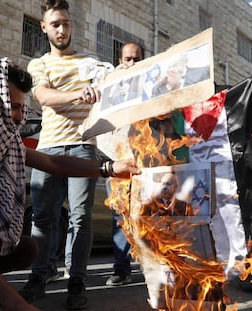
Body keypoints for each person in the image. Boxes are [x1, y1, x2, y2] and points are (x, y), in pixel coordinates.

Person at [0, 58, 140, 311]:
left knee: (25, 249)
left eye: (20, 108)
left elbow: (53, 163)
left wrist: (109, 168)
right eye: (10, 107)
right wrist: (18, 305)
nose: (17, 117)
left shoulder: (6, 146)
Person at [19, 0, 110, 309]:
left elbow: (111, 89)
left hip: (84, 146)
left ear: (72, 25)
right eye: (55, 24)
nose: (61, 29)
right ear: (44, 27)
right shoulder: (39, 64)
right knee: (43, 219)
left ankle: (77, 282)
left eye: (66, 23)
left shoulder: (91, 62)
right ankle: (38, 277)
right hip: (48, 148)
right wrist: (77, 93)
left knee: (81, 218)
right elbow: (43, 96)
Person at [105, 42, 144, 287]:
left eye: (137, 59)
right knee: (120, 219)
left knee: (151, 217)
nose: (131, 64)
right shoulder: (112, 85)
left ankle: (157, 269)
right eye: (127, 59)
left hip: (146, 163)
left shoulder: (153, 86)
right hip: (118, 163)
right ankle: (122, 269)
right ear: (121, 61)